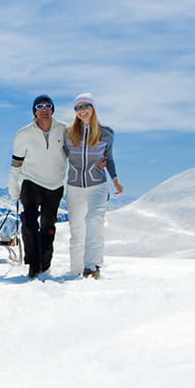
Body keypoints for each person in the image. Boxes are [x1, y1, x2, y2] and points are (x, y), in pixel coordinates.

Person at [64, 93, 123, 279]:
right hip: (74, 186)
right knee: (77, 228)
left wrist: (115, 180)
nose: (82, 111)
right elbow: (59, 157)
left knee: (94, 220)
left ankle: (92, 267)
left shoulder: (106, 133)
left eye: (85, 106)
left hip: (98, 184)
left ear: (93, 108)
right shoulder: (68, 133)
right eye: (77, 108)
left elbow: (110, 158)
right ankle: (76, 269)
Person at [9, 95, 68, 278]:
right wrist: (14, 188)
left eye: (47, 106)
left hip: (55, 184)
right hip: (31, 182)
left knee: (48, 226)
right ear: (34, 111)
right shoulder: (23, 134)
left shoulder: (65, 130)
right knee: (29, 221)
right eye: (39, 106)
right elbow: (16, 163)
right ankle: (33, 264)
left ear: (52, 109)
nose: (44, 109)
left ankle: (45, 263)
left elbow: (76, 156)